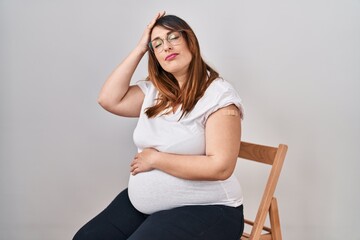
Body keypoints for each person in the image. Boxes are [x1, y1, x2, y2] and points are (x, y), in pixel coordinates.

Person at [73, 11, 245, 240]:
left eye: (173, 37)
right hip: (147, 207)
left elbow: (221, 167)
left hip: (211, 209)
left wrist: (155, 159)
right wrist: (140, 48)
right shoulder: (155, 91)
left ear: (190, 41)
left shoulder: (218, 95)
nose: (166, 47)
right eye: (157, 43)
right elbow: (108, 99)